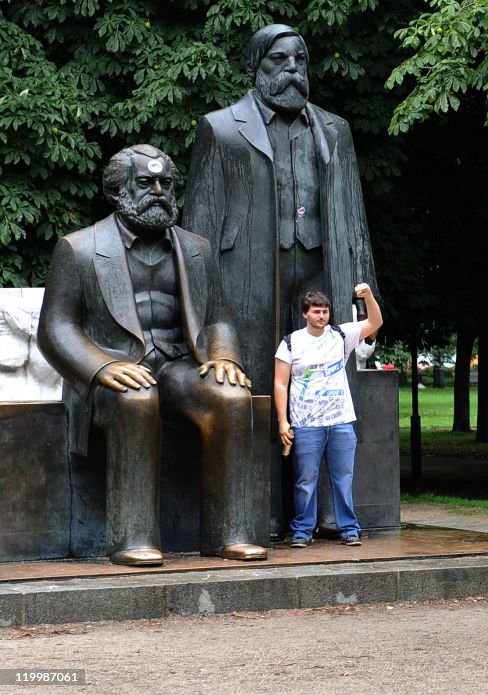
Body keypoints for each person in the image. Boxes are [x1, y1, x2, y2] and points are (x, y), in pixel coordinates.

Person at [37, 144, 267, 566]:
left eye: (165, 184)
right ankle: (133, 538)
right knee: (137, 397)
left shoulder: (196, 249)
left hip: (179, 365)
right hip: (113, 370)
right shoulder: (79, 248)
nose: (158, 191)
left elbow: (218, 318)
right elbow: (55, 329)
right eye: (145, 183)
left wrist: (224, 357)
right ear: (118, 190)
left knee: (232, 397)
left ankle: (229, 534)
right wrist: (102, 367)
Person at [183, 23, 377, 398]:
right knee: (253, 380)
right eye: (279, 59)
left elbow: (354, 220)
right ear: (256, 67)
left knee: (322, 383)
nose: (292, 68)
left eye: (299, 59)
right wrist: (196, 306)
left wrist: (365, 300)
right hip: (247, 273)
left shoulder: (336, 130)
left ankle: (313, 453)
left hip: (322, 271)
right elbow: (198, 226)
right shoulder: (221, 129)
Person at [273, 286, 382, 548]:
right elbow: (280, 383)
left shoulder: (341, 335)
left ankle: (349, 528)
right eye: (316, 312)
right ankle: (302, 530)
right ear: (305, 314)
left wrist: (367, 296)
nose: (322, 316)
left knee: (343, 478)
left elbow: (376, 322)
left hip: (340, 420)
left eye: (325, 311)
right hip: (307, 422)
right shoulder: (291, 342)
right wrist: (282, 421)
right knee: (305, 480)